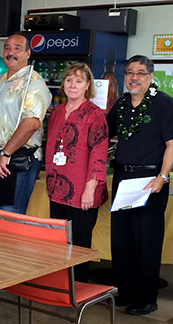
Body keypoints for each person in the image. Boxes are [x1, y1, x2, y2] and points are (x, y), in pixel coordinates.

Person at [106, 55, 173, 316]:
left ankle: (147, 299)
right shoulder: (122, 104)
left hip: (151, 181)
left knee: (147, 241)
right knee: (122, 240)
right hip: (123, 179)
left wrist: (163, 176)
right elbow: (106, 132)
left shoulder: (165, 104)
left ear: (150, 76)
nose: (133, 77)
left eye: (140, 72)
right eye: (129, 72)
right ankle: (125, 292)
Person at [44, 63, 108, 283]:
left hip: (82, 190)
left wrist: (90, 188)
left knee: (79, 242)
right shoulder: (57, 111)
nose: (73, 85)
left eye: (79, 81)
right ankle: (60, 282)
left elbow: (99, 154)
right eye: (69, 80)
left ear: (87, 85)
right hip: (57, 187)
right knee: (58, 240)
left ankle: (78, 286)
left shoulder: (94, 114)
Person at [0, 33, 51, 213]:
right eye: (7, 47)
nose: (11, 52)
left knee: (10, 214)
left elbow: (31, 123)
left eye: (17, 48)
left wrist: (6, 154)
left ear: (28, 53)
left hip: (17, 160)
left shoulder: (34, 82)